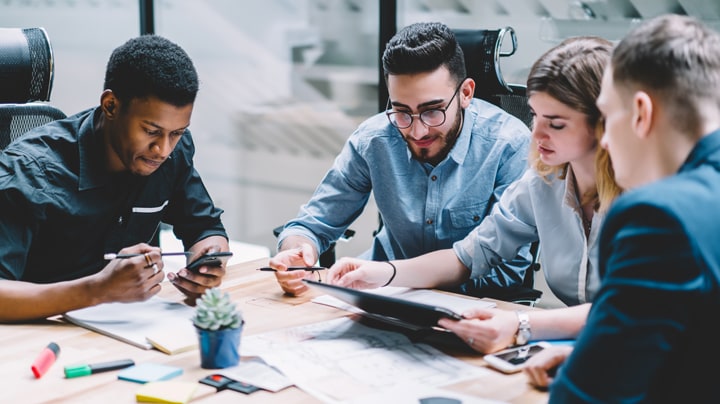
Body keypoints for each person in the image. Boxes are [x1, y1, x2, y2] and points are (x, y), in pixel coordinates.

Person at [329, 36, 623, 354]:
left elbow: (635, 308)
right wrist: (383, 273)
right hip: (590, 347)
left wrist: (521, 325)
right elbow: (468, 256)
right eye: (535, 116)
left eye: (555, 123)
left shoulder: (646, 197)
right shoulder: (543, 182)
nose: (535, 133)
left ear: (604, 124)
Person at [523, 14, 720, 402]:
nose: (606, 141)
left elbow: (586, 397)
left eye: (609, 117)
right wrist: (598, 353)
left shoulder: (660, 218)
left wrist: (595, 369)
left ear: (642, 113)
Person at [270, 22, 533, 296]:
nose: (417, 131)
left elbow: (507, 273)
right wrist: (298, 253)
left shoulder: (509, 146)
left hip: (472, 308)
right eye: (402, 111)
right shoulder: (374, 140)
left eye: (432, 111)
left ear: (466, 93)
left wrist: (396, 278)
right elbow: (310, 225)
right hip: (378, 294)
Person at [0, 35, 229, 322]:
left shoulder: (172, 153)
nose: (163, 149)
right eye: (151, 131)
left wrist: (209, 261)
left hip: (133, 330)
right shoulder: (29, 171)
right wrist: (98, 290)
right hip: (39, 338)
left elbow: (206, 227)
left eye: (177, 132)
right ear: (110, 106)